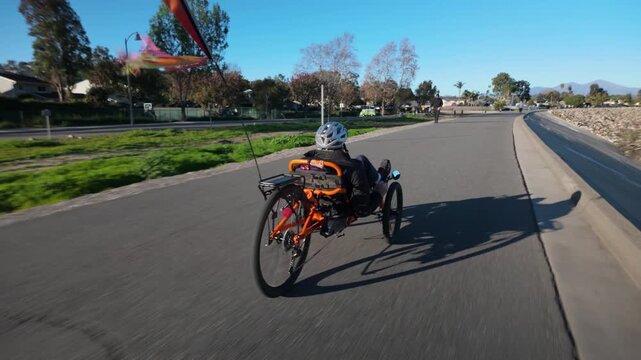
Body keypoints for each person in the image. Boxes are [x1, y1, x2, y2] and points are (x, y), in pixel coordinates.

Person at [302, 122, 391, 234]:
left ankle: (378, 176)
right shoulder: (353, 167)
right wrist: (378, 194)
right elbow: (362, 208)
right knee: (361, 161)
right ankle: (379, 178)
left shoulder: (303, 162)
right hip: (342, 203)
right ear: (341, 141)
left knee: (361, 158)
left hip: (318, 199)